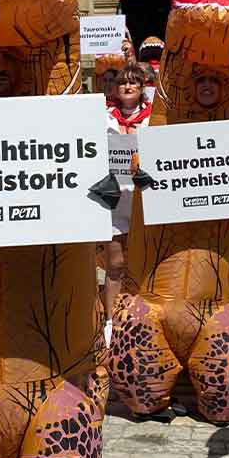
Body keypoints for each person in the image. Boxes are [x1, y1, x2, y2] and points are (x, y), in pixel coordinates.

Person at [101, 63, 152, 343]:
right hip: (115, 200)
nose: (128, 87)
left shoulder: (154, 118)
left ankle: (141, 316)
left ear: (143, 87)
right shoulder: (103, 118)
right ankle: (110, 321)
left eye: (134, 82)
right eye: (123, 83)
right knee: (116, 263)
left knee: (145, 263)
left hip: (143, 199)